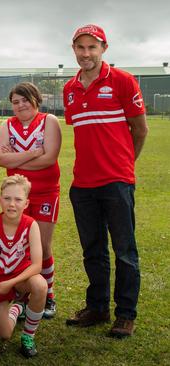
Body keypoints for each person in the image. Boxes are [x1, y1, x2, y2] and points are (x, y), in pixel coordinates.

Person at [63, 24, 148, 338]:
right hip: (83, 184)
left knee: (125, 251)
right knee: (93, 250)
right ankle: (97, 308)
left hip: (116, 181)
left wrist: (125, 166)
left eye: (92, 48)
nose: (86, 53)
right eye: (81, 48)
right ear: (74, 49)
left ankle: (125, 314)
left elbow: (140, 131)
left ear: (103, 49)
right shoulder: (70, 89)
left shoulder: (123, 81)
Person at [0, 82, 61, 318]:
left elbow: (49, 158)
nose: (20, 105)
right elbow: (2, 160)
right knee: (21, 246)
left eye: (25, 99)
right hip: (17, 196)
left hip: (45, 192)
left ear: (35, 99)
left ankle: (48, 295)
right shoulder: (7, 124)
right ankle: (23, 296)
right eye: (16, 101)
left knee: (42, 246)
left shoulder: (49, 121)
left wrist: (16, 159)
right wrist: (33, 152)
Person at [0, 175, 47, 358]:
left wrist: (12, 282)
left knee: (40, 285)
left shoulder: (31, 225)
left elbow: (37, 265)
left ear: (26, 203)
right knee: (2, 335)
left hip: (21, 277)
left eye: (18, 199)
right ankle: (17, 308)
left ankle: (28, 336)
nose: (12, 204)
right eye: (7, 198)